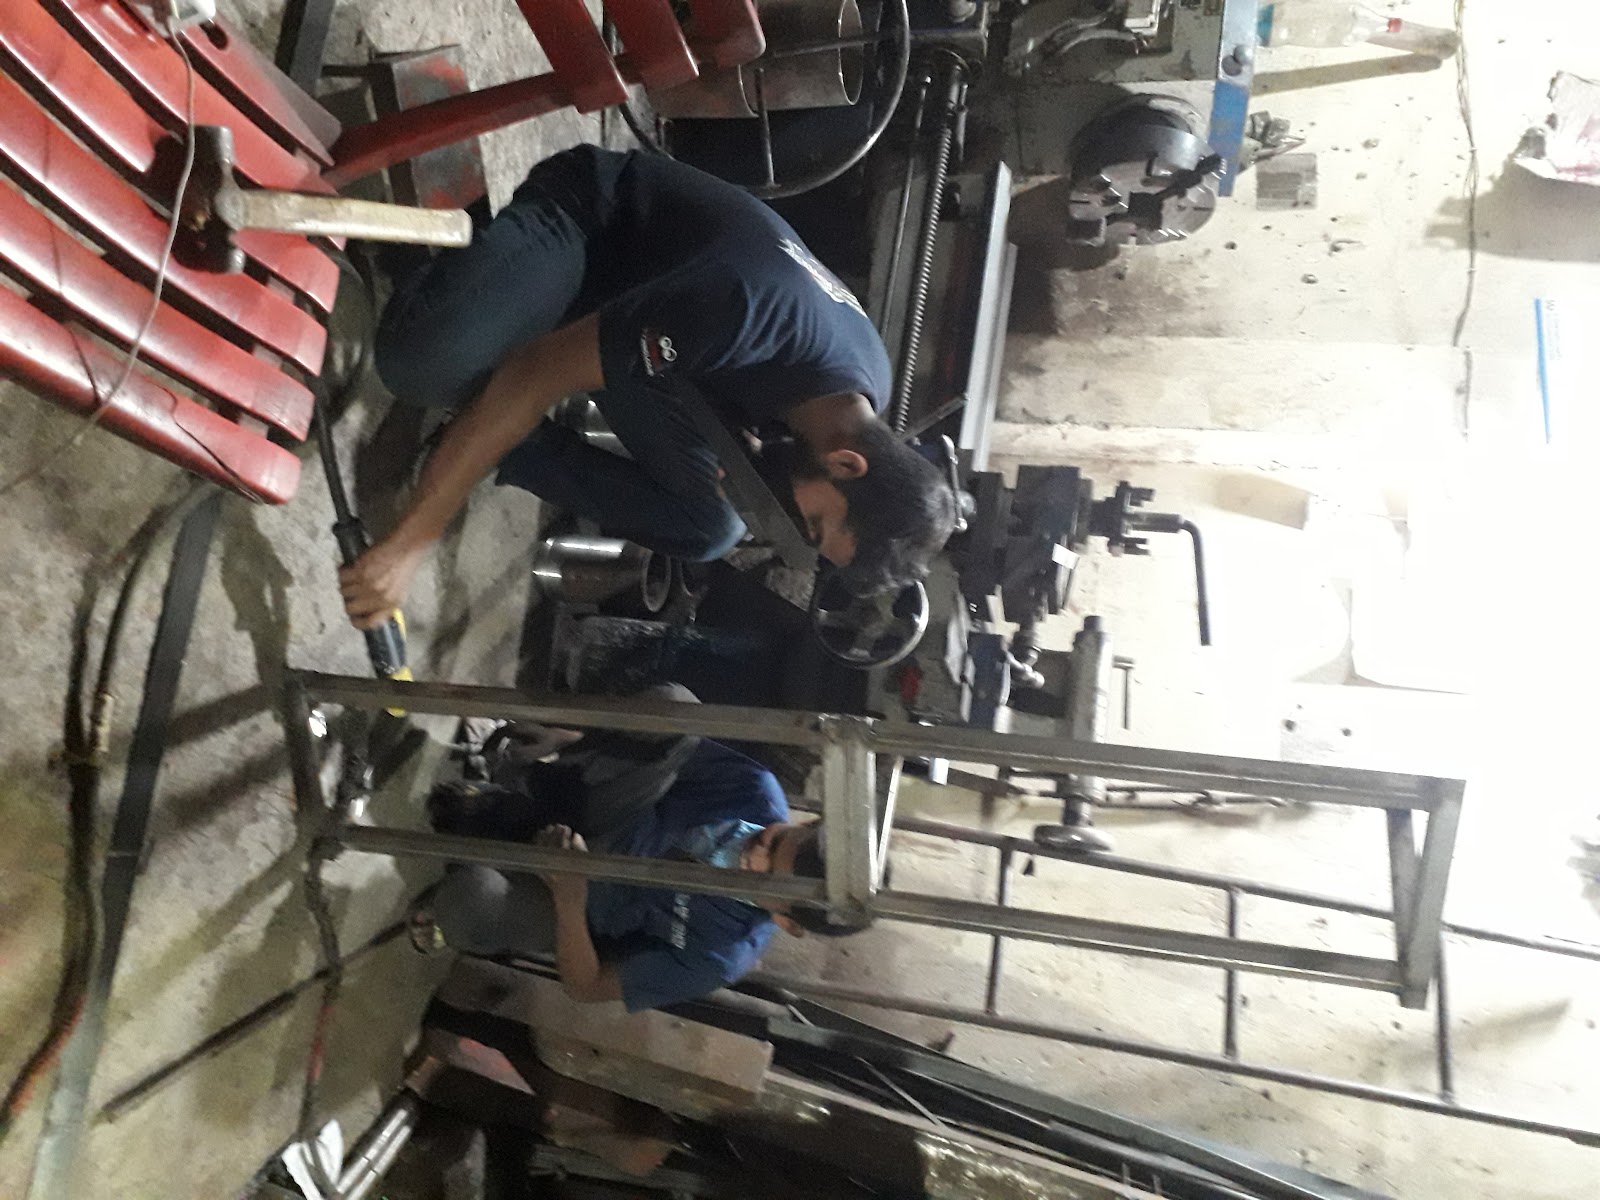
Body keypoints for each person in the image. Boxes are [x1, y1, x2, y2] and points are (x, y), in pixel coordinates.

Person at [340, 144, 957, 632]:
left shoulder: (862, 392)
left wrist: (751, 457)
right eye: (814, 523)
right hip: (595, 233)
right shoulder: (746, 312)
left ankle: (490, 437)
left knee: (711, 526)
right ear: (847, 462)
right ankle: (461, 292)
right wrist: (413, 538)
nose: (797, 524)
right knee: (421, 365)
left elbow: (730, 388)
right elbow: (536, 374)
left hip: (659, 332)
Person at [415, 685, 860, 1012]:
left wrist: (570, 896)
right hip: (600, 814)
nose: (755, 854)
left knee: (469, 903)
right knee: (675, 708)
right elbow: (658, 750)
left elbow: (586, 986)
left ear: (786, 920)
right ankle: (515, 778)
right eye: (774, 839)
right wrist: (569, 741)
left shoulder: (720, 954)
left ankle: (487, 847)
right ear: (806, 823)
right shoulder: (754, 791)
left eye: (768, 875)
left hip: (573, 898)